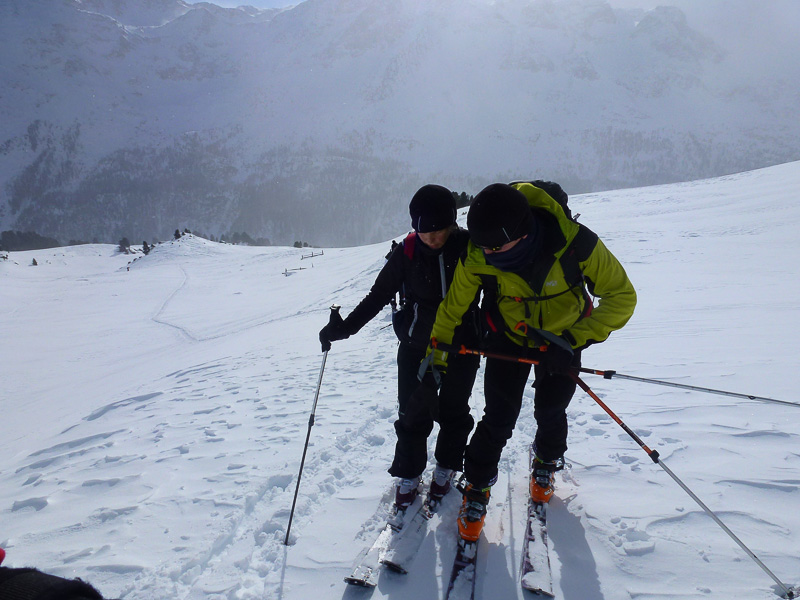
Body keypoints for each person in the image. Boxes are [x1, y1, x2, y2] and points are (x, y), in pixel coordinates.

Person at [423, 182, 636, 542]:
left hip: (563, 339)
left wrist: (571, 341)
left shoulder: (575, 243)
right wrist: (437, 357)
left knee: (551, 409)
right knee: (499, 416)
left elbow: (621, 297)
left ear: (522, 234)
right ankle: (476, 486)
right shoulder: (479, 254)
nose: (488, 253)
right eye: (483, 246)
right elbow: (453, 308)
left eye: (495, 247)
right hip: (509, 336)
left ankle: (546, 462)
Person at [319, 184, 481, 510]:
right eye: (423, 232)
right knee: (411, 412)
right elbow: (378, 295)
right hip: (415, 345)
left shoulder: (469, 248)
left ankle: (447, 466)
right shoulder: (407, 252)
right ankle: (409, 473)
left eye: (438, 231)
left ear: (452, 223)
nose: (430, 239)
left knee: (453, 411)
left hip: (460, 346)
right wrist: (345, 329)